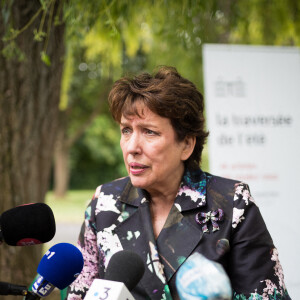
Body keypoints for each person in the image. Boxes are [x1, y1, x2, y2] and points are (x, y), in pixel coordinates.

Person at [66, 66, 290, 300]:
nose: (132, 147)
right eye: (126, 130)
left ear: (186, 145)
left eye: (149, 132)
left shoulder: (233, 203)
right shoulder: (105, 203)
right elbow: (79, 294)